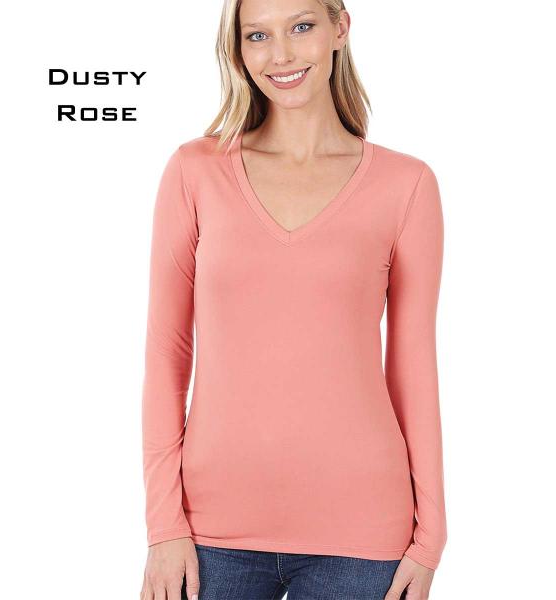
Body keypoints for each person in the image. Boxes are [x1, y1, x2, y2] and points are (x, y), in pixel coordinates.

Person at [140, 0, 447, 598]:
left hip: (363, 534)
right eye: (257, 35)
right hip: (209, 532)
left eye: (301, 26)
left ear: (340, 27)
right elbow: (166, 355)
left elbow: (413, 367)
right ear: (238, 49)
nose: (280, 54)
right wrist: (163, 525)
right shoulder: (194, 171)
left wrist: (430, 537)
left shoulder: (406, 185)